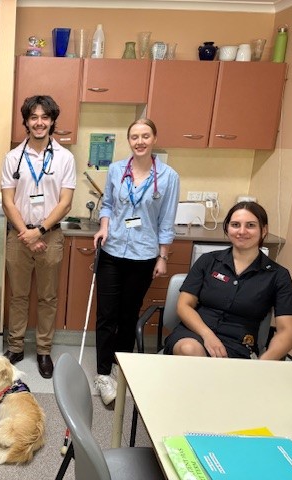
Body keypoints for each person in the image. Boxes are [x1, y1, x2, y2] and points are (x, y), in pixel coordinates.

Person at [93, 118, 179, 405]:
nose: (139, 141)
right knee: (106, 315)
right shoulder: (117, 169)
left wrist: (163, 256)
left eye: (145, 136)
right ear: (129, 140)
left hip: (143, 254)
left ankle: (121, 366)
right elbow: (107, 204)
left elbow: (167, 220)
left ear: (154, 138)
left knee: (128, 315)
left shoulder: (168, 177)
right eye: (134, 137)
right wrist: (104, 226)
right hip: (113, 249)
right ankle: (103, 374)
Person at [1, 95, 76, 379]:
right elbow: (8, 201)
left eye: (45, 117)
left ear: (53, 121)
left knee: (48, 297)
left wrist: (40, 231)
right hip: (19, 235)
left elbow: (65, 202)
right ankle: (16, 347)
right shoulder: (12, 158)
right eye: (34, 117)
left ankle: (44, 350)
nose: (39, 122)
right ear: (26, 122)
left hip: (50, 236)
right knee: (18, 295)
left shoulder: (65, 158)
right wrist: (27, 234)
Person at [164, 201, 292, 359]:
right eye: (235, 224)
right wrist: (208, 335)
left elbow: (288, 331)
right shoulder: (208, 261)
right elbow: (184, 305)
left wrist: (263, 364)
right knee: (189, 349)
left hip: (238, 343)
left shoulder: (278, 275)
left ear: (264, 230)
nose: (242, 231)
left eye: (250, 225)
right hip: (194, 333)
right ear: (227, 228)